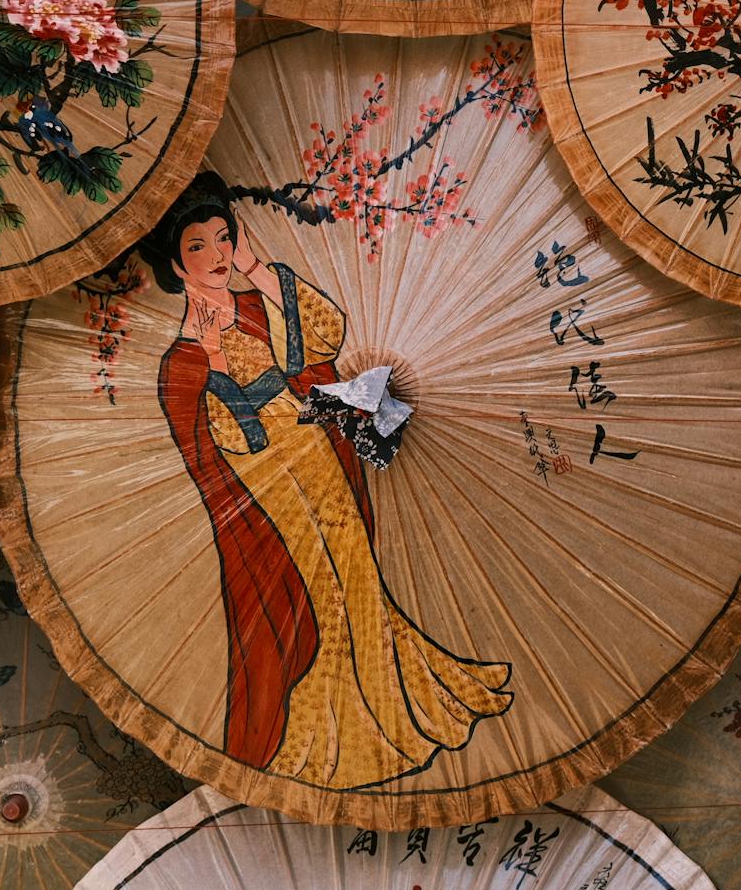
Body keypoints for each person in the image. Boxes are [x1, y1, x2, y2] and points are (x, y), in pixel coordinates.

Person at [138, 173, 511, 786]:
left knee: (357, 566)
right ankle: (333, 725)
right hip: (259, 477)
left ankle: (393, 702)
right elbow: (213, 437)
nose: (216, 254)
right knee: (318, 588)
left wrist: (260, 270)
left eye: (222, 238)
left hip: (310, 443)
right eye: (198, 246)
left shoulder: (260, 302)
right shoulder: (182, 355)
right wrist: (208, 355)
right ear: (177, 266)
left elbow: (325, 335)